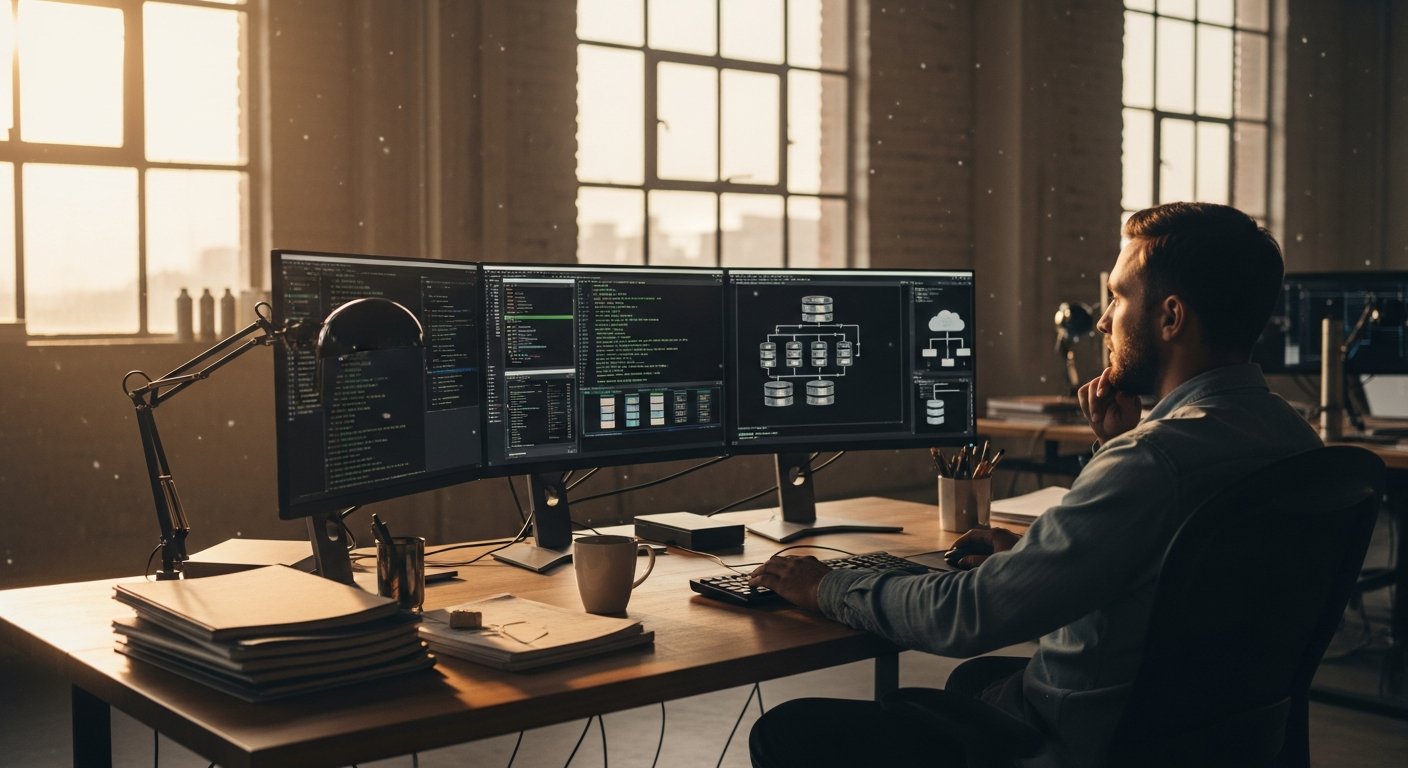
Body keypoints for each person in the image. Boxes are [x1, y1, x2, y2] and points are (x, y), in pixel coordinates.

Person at [746, 202, 1322, 768]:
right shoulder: (1293, 437)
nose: (1102, 321)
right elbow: (1173, 573)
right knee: (978, 683)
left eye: (1118, 297)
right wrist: (1043, 544)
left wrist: (826, 585)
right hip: (1214, 735)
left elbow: (970, 616)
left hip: (1091, 742)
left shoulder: (1154, 461)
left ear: (1171, 318)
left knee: (789, 730)